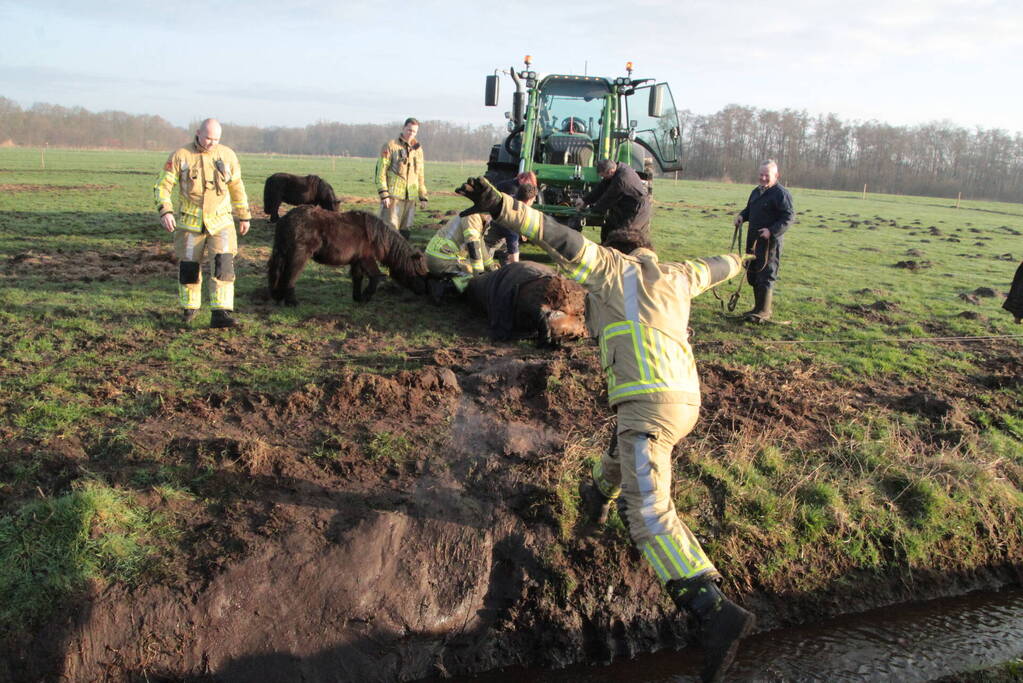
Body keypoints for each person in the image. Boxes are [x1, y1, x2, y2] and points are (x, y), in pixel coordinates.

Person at [455, 176, 755, 683]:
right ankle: (594, 505)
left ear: (616, 251)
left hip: (648, 406)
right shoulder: (679, 275)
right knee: (624, 449)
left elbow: (556, 236)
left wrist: (498, 205)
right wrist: (748, 260)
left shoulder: (612, 270)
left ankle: (714, 611)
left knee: (651, 513)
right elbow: (719, 265)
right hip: (686, 402)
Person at [154, 118, 250, 328]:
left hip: (221, 222)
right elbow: (162, 186)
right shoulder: (180, 156)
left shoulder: (228, 155)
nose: (211, 143)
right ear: (197, 132)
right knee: (189, 268)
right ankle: (190, 309)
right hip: (190, 226)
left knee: (223, 265)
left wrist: (244, 215)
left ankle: (220, 314)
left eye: (216, 139)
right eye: (208, 138)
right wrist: (165, 211)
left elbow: (237, 187)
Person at [732, 159, 795, 323]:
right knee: (752, 274)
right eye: (761, 175)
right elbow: (749, 210)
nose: (763, 178)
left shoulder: (781, 194)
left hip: (769, 245)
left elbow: (789, 217)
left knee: (766, 275)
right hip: (752, 240)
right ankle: (757, 308)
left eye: (767, 175)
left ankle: (764, 311)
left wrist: (771, 231)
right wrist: (741, 216)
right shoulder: (756, 192)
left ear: (776, 175)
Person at [376, 117, 428, 240]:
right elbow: (380, 171)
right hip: (393, 197)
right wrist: (384, 194)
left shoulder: (417, 149)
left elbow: (420, 174)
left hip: (411, 198)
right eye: (409, 130)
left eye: (414, 131)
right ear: (403, 128)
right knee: (389, 231)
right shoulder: (390, 146)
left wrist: (423, 196)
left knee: (405, 233)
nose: (411, 134)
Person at [578, 158, 652, 244]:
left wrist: (592, 211)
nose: (603, 178)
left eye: (604, 176)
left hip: (637, 210)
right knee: (608, 229)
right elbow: (602, 186)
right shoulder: (618, 168)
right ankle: (606, 249)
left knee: (626, 236)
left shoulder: (622, 180)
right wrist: (585, 200)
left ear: (611, 171)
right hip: (624, 206)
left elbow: (608, 199)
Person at [492, 172, 538, 263]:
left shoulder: (518, 190)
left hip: (499, 221)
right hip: (495, 222)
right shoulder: (512, 190)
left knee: (506, 245)